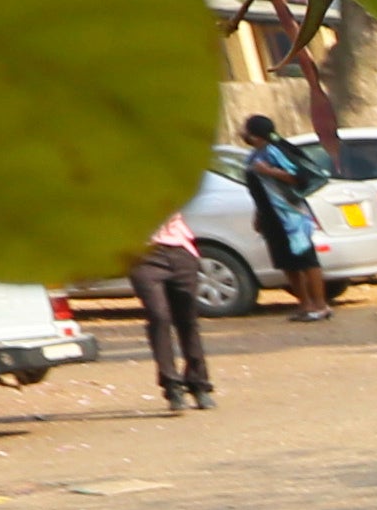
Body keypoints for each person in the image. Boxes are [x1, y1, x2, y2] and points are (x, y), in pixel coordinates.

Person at [225, 112, 338, 321]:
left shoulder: (275, 152)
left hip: (291, 215)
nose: (243, 133)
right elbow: (261, 190)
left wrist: (269, 171)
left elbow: (298, 178)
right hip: (271, 215)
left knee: (306, 260)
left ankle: (320, 305)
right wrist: (259, 215)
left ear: (256, 135)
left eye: (246, 130)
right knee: (286, 262)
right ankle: (305, 305)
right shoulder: (254, 156)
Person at [131, 206, 216, 412]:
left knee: (187, 320)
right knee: (158, 316)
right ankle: (172, 386)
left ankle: (199, 384)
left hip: (179, 249)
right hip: (142, 254)